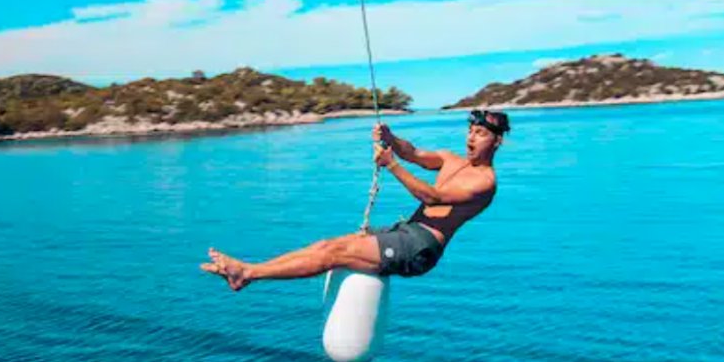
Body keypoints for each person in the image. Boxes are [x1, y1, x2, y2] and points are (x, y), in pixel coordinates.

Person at [200, 109, 510, 290]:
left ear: (497, 141)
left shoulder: (485, 182)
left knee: (334, 253)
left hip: (420, 246)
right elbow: (413, 153)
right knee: (327, 245)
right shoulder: (451, 159)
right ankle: (248, 270)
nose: (471, 137)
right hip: (405, 232)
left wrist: (391, 165)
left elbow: (431, 195)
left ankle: (248, 274)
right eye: (470, 130)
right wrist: (391, 139)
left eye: (481, 134)